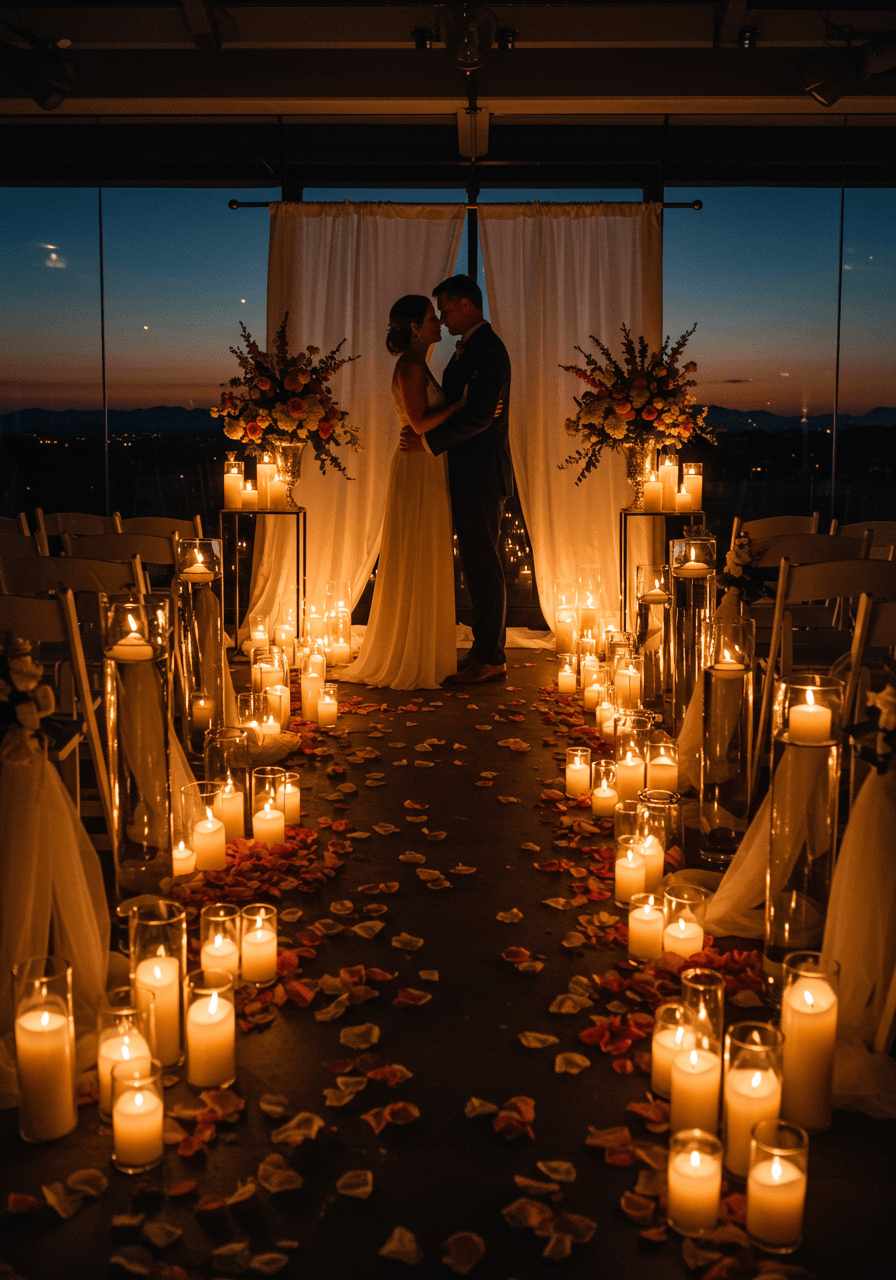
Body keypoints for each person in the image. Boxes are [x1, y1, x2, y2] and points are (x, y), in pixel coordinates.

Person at [339, 295, 464, 690]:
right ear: (414, 328)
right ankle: (413, 650)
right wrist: (461, 405)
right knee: (417, 549)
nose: (439, 324)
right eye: (431, 318)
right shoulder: (410, 367)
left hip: (426, 463)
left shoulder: (418, 365)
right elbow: (418, 422)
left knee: (423, 550)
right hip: (417, 467)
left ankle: (422, 643)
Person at [401, 274, 512, 685]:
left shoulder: (489, 349)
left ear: (466, 304)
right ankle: (484, 650)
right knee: (478, 565)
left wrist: (428, 442)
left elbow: (482, 415)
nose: (443, 320)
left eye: (445, 309)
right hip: (468, 471)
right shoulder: (471, 347)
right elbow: (465, 407)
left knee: (484, 566)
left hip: (482, 473)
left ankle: (491, 658)